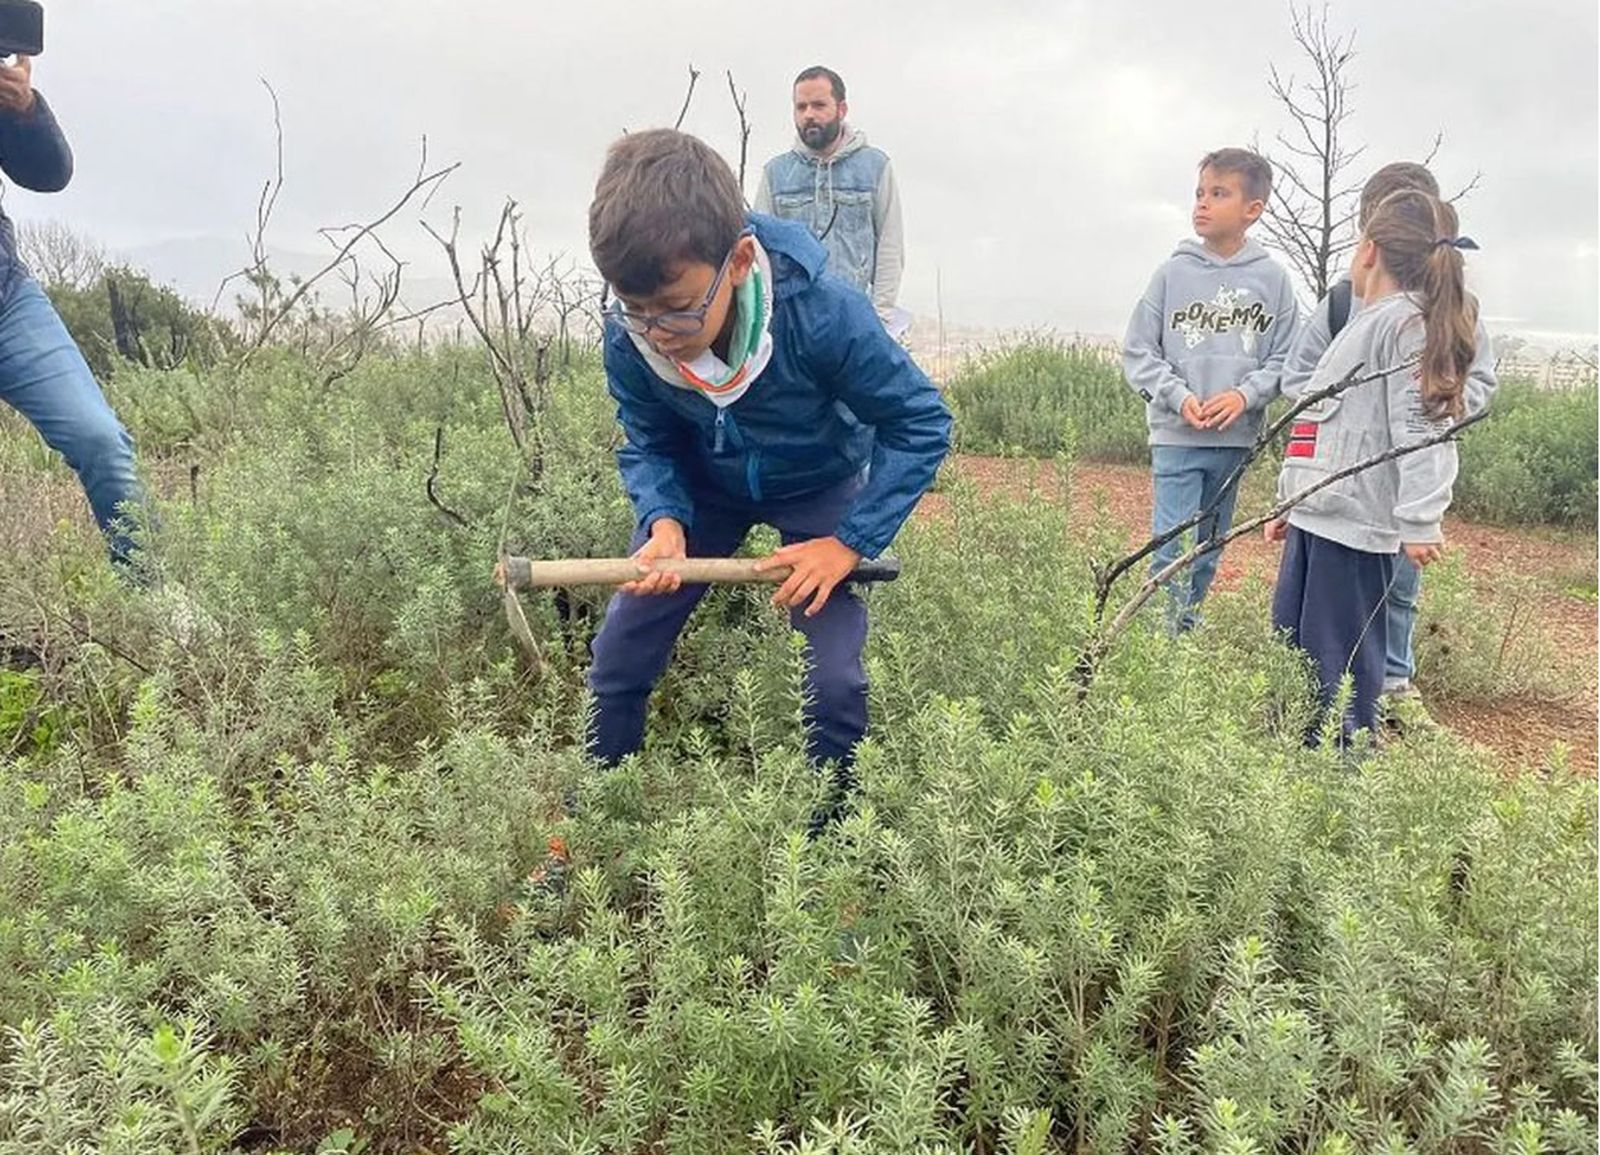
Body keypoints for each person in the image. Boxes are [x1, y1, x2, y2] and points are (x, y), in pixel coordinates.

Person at [584, 128, 950, 812]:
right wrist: (664, 519)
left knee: (835, 681)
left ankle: (832, 845)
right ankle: (598, 824)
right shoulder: (629, 337)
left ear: (743, 260)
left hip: (817, 481)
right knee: (618, 656)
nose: (660, 332)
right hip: (705, 485)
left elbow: (921, 421)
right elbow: (650, 435)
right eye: (638, 311)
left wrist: (849, 543)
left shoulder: (823, 314)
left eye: (679, 308)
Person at [1280, 162, 1498, 729]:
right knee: (1294, 652)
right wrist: (1291, 500)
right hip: (1318, 518)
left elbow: (1425, 426)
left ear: (1369, 249)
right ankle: (1293, 757)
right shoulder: (1360, 321)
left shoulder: (1408, 327)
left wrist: (1421, 518)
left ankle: (1340, 770)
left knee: (1341, 666)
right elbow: (1317, 417)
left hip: (1355, 532)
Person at [1121, 147, 1300, 632]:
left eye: (1218, 194)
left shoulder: (1273, 280)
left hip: (1234, 440)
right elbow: (1138, 352)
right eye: (1200, 192)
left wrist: (1246, 396)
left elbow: (1287, 359)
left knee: (1208, 548)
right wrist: (1178, 397)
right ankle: (1161, 651)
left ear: (1252, 210)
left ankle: (1186, 629)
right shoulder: (1171, 274)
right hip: (1177, 437)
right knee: (1170, 547)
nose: (1202, 203)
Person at [0, 55, 145, 570]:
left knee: (101, 441)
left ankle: (157, 610)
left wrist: (25, 109)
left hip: (7, 302)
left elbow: (48, 173)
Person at [753, 66, 906, 334]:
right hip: (796, 329)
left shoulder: (875, 167)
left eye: (819, 105)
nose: (809, 115)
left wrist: (880, 321)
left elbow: (890, 247)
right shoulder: (775, 175)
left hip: (858, 324)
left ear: (842, 109)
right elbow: (759, 256)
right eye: (801, 107)